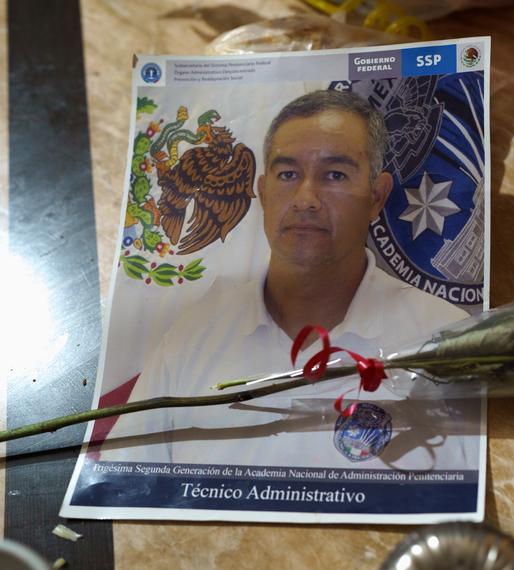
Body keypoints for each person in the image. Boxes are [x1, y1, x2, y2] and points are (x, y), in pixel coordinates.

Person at [99, 91, 473, 467]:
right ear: (262, 192)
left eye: (335, 174)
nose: (306, 199)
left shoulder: (443, 337)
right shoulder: (193, 332)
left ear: (377, 196)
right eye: (288, 174)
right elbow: (124, 484)